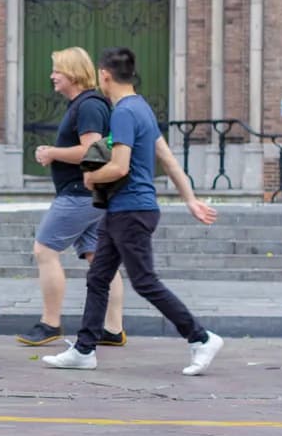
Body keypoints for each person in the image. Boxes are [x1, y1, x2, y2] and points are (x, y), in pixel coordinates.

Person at [43, 46, 225, 375]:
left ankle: (201, 337)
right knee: (98, 277)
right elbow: (168, 160)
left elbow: (119, 167)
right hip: (124, 210)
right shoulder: (141, 107)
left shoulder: (124, 112)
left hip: (132, 209)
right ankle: (84, 349)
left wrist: (91, 177)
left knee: (144, 281)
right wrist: (190, 199)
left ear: (105, 75)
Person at [17, 47, 127, 347]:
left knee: (44, 250)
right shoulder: (89, 103)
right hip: (91, 195)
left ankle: (50, 323)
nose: (52, 76)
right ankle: (113, 329)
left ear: (73, 73)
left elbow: (92, 152)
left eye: (57, 70)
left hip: (79, 194)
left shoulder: (88, 105)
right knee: (98, 259)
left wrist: (52, 153)